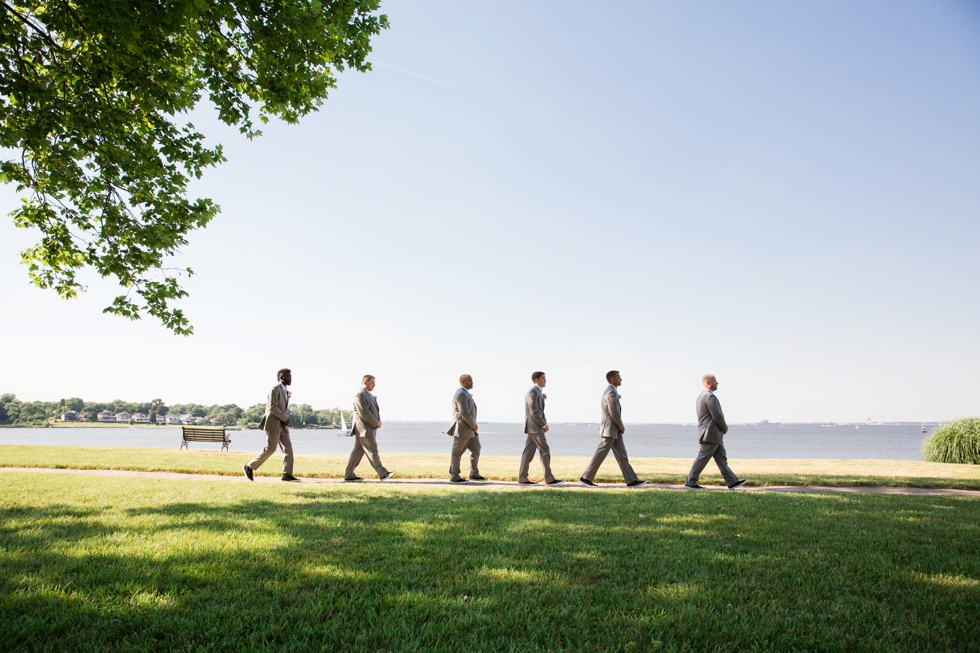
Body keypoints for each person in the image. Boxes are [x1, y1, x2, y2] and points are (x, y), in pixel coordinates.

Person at [580, 370, 646, 487]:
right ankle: (585, 478)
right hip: (610, 430)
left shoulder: (611, 391)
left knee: (622, 456)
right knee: (600, 455)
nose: (621, 379)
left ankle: (631, 481)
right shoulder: (611, 392)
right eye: (619, 377)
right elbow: (614, 412)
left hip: (614, 431)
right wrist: (621, 426)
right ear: (612, 379)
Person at [685, 374, 748, 490]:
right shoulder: (709, 397)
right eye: (715, 381)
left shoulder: (701, 396)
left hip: (713, 435)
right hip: (711, 434)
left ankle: (732, 481)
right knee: (702, 458)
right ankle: (690, 481)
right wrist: (725, 427)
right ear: (708, 383)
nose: (717, 383)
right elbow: (717, 415)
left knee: (721, 459)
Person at [243, 368, 299, 482]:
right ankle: (249, 466)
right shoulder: (275, 388)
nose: (291, 379)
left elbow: (283, 407)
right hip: (274, 424)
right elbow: (272, 407)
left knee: (288, 449)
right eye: (288, 377)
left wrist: (285, 419)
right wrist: (285, 418)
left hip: (282, 425)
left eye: (291, 377)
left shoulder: (284, 390)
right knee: (270, 448)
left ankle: (287, 474)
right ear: (281, 377)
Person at [344, 375, 396, 482]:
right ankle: (383, 473)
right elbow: (364, 412)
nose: (374, 385)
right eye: (372, 383)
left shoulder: (369, 395)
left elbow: (375, 410)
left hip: (366, 428)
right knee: (373, 450)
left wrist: (378, 421)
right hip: (364, 428)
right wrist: (375, 423)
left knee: (357, 453)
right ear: (365, 382)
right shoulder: (360, 395)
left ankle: (349, 475)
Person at [518, 371, 561, 485]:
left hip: (534, 428)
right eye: (543, 378)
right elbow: (534, 411)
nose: (545, 380)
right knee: (544, 451)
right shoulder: (533, 391)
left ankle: (522, 477)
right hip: (535, 427)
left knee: (528, 453)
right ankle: (549, 478)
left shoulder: (538, 392)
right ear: (537, 380)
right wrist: (543, 424)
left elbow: (540, 411)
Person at [447, 374, 486, 483]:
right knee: (457, 452)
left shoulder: (465, 393)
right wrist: (473, 424)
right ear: (463, 381)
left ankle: (474, 473)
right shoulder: (461, 394)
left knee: (476, 448)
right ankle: (454, 475)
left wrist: (473, 427)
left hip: (471, 429)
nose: (472, 382)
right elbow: (464, 412)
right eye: (470, 381)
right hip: (463, 428)